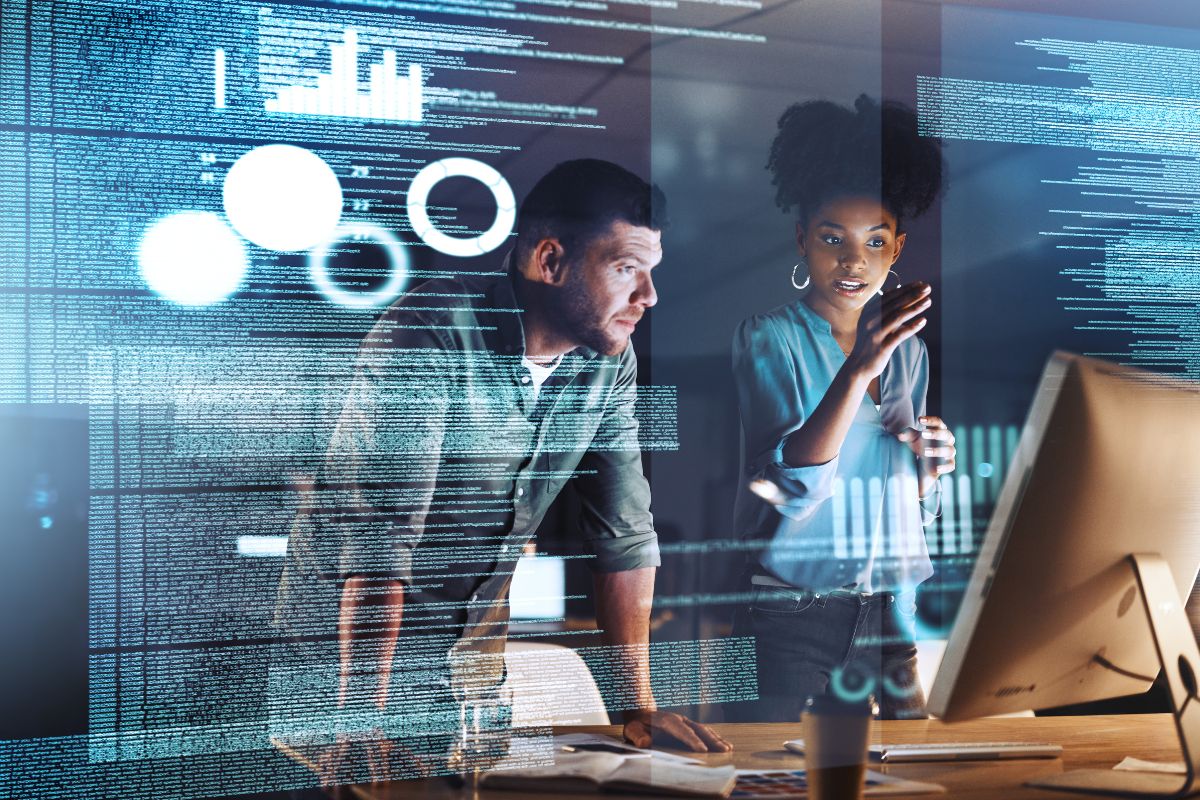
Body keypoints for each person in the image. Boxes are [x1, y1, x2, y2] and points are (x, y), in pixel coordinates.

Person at [273, 159, 728, 785]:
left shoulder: (605, 366)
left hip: (469, 694)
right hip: (344, 688)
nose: (648, 296)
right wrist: (357, 721)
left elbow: (624, 537)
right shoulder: (428, 331)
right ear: (549, 261)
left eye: (651, 273)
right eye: (626, 269)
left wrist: (638, 707)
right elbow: (377, 546)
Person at [727, 96, 957, 722]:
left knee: (910, 779)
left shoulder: (910, 355)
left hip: (892, 610)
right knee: (783, 780)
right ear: (803, 240)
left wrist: (930, 469)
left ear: (896, 249)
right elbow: (788, 492)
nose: (854, 261)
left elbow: (914, 512)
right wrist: (859, 369)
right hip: (797, 613)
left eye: (874, 242)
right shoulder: (767, 337)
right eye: (833, 239)